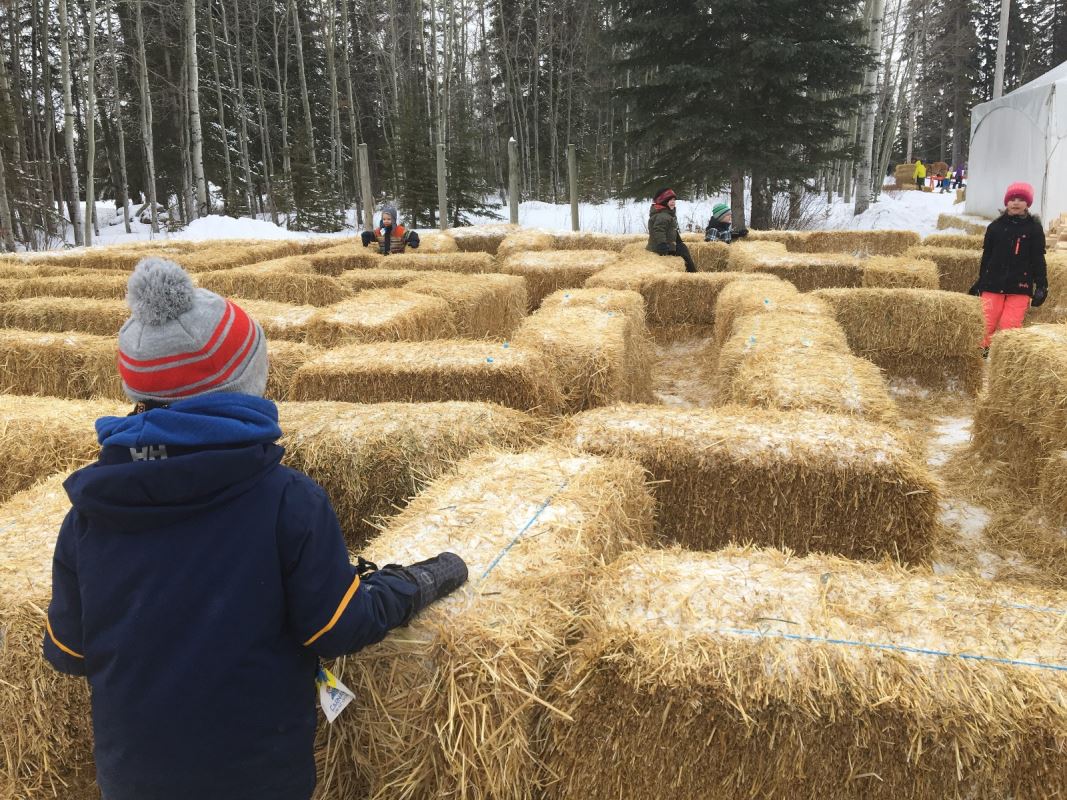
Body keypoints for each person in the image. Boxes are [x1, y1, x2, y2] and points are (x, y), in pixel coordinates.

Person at [43, 258, 467, 800]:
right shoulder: (287, 501)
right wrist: (417, 582)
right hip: (258, 778)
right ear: (246, 386)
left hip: (132, 781)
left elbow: (69, 653)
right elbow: (337, 627)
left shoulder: (88, 513)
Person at [969, 182, 1048, 357]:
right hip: (993, 283)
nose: (1016, 203)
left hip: (1019, 284)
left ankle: (1003, 358)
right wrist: (980, 282)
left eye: (1021, 199)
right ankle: (981, 357)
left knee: (1009, 326)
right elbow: (987, 257)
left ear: (1028, 204)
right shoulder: (995, 227)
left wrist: (1042, 285)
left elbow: (1038, 258)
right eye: (1012, 199)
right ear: (1006, 202)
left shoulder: (1034, 228)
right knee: (986, 323)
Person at [646, 187, 696, 272]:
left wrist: (678, 240)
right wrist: (662, 244)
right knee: (683, 250)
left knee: (682, 246)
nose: (673, 202)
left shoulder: (667, 214)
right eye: (670, 200)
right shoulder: (663, 216)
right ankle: (692, 273)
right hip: (661, 247)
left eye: (674, 200)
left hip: (666, 244)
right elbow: (658, 230)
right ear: (663, 202)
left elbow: (671, 230)